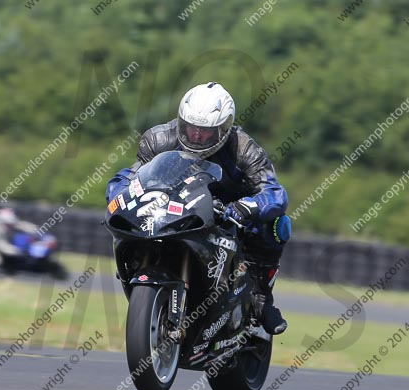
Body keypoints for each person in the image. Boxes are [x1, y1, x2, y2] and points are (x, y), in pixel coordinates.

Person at [106, 82, 290, 334]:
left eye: (205, 131)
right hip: (177, 207)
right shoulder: (158, 139)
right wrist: (117, 193)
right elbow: (133, 176)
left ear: (224, 129)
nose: (196, 136)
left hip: (228, 212)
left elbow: (274, 192)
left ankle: (260, 297)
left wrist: (246, 207)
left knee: (279, 225)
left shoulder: (244, 148)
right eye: (190, 127)